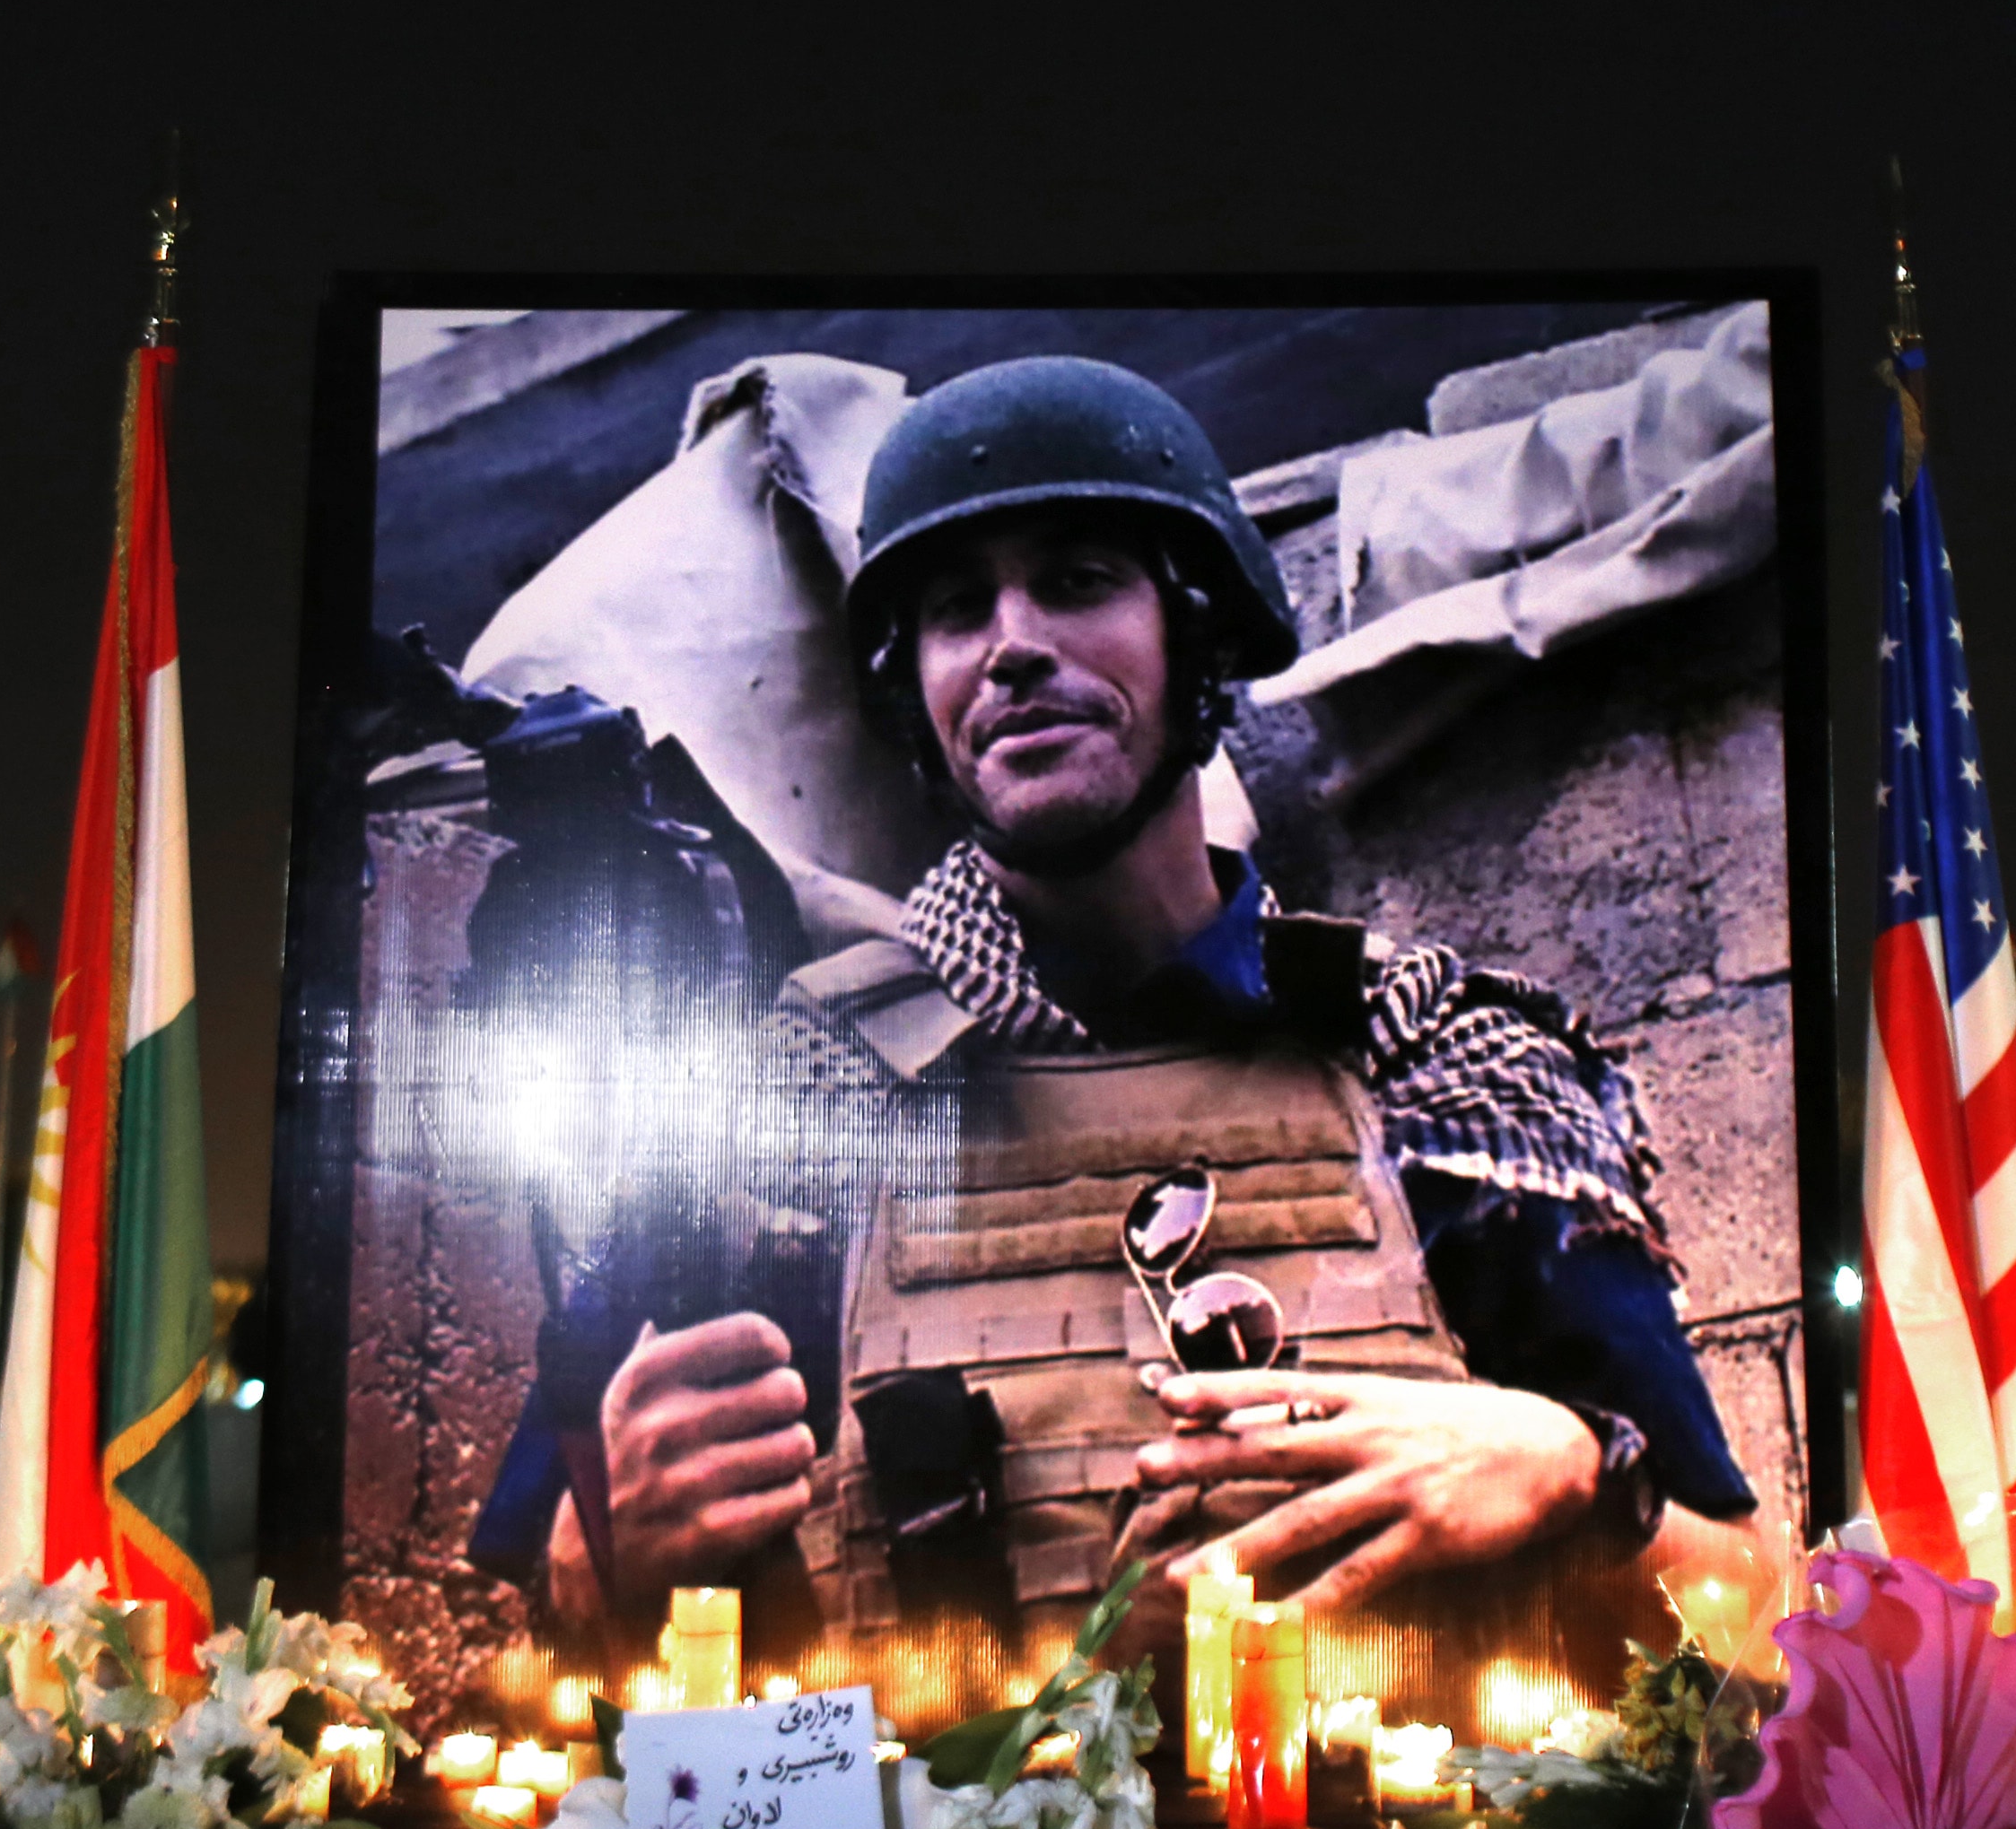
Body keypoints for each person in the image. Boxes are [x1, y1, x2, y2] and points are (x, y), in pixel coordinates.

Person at [510, 356, 1767, 1703]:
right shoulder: (772, 1117)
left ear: (1202, 639)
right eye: (952, 610)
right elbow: (548, 1673)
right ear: (913, 700)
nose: (1009, 644)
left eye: (1078, 578)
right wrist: (597, 1572)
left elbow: (1746, 1613)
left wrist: (1578, 1477)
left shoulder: (1446, 1065)